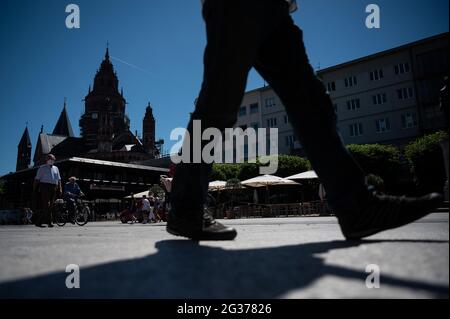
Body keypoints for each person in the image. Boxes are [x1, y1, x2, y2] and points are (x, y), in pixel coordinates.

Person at [167, 0, 443, 241]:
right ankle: (186, 208)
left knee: (311, 102)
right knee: (218, 104)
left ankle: (357, 206)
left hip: (274, 8)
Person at [33, 154, 62, 228]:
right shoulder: (42, 168)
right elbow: (37, 179)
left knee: (50, 206)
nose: (51, 160)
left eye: (52, 159)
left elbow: (59, 179)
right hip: (45, 187)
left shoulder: (56, 168)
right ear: (47, 160)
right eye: (50, 159)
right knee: (47, 205)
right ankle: (48, 222)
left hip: (54, 187)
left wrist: (60, 188)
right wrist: (34, 189)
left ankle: (41, 222)